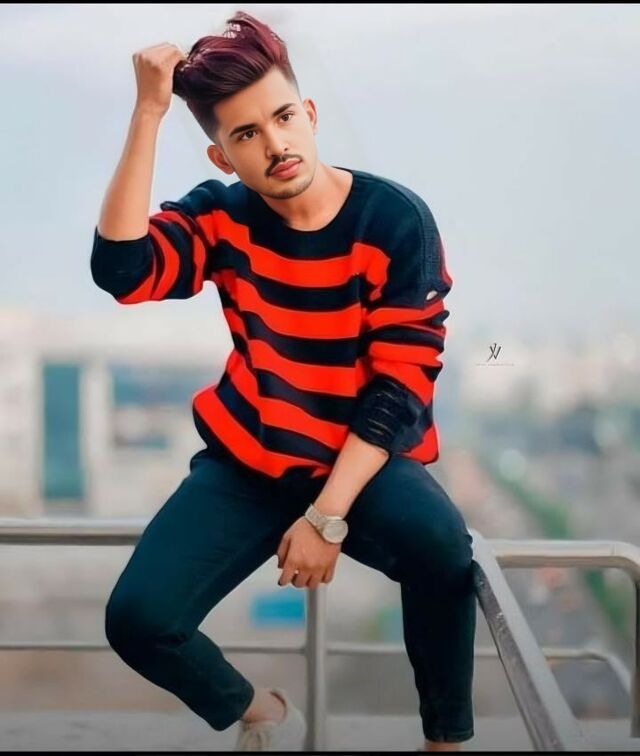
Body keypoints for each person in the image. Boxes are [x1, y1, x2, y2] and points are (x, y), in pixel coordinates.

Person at [90, 10, 476, 753]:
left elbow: (400, 390)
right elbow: (122, 270)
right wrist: (148, 113)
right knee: (137, 619)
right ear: (223, 155)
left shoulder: (395, 220)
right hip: (251, 457)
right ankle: (259, 711)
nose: (276, 144)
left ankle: (445, 743)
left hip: (361, 460)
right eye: (246, 134)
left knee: (442, 549)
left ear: (310, 113)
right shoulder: (222, 215)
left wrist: (327, 518)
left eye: (284, 117)